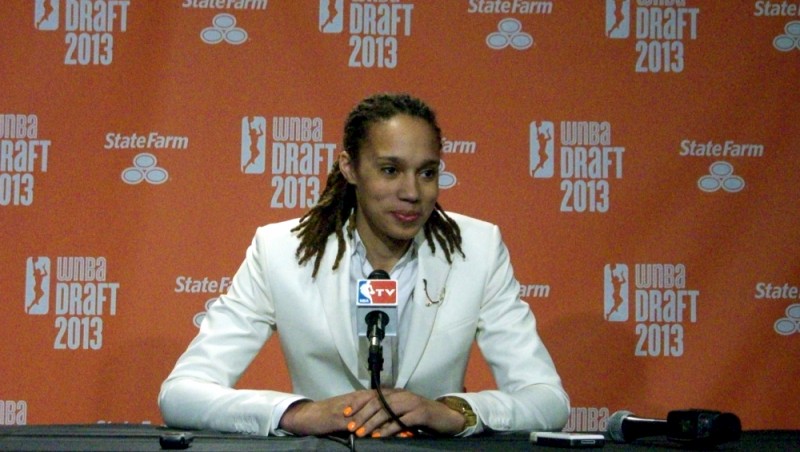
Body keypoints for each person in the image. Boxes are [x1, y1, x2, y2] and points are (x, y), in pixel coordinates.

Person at [158, 93, 570, 438]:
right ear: (349, 167)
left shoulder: (476, 249)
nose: (412, 192)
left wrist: (453, 412)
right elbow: (181, 394)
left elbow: (547, 401)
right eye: (390, 170)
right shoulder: (280, 251)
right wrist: (299, 414)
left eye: (427, 173)